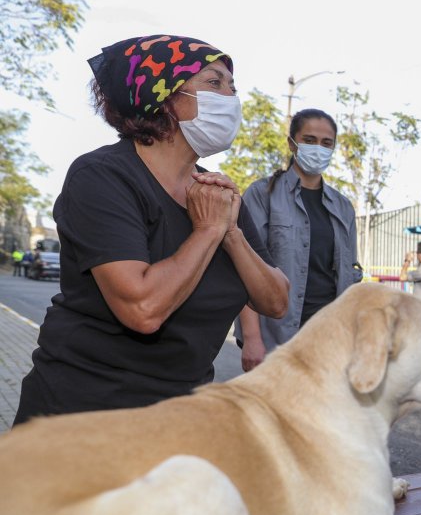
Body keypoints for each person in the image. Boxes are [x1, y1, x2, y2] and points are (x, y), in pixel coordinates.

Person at [14, 34, 288, 424]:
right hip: (82, 417)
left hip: (178, 416)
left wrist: (232, 233)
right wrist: (208, 231)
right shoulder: (103, 176)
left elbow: (276, 301)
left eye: (233, 87)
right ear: (164, 97)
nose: (231, 98)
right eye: (214, 83)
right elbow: (142, 309)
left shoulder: (215, 192)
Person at [235, 108, 360, 372]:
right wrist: (252, 338)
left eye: (327, 143)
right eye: (310, 140)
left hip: (329, 339)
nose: (319, 148)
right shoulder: (262, 195)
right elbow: (244, 270)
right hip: (275, 339)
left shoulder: (343, 207)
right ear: (292, 143)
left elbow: (349, 277)